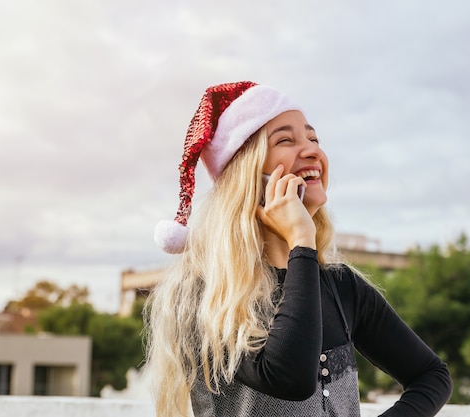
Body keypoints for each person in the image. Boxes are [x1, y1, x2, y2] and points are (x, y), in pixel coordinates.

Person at [146, 81, 452, 417]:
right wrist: (300, 243)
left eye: (313, 138)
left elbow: (431, 376)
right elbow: (289, 379)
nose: (313, 152)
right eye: (286, 140)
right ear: (249, 175)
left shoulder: (341, 286)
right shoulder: (204, 293)